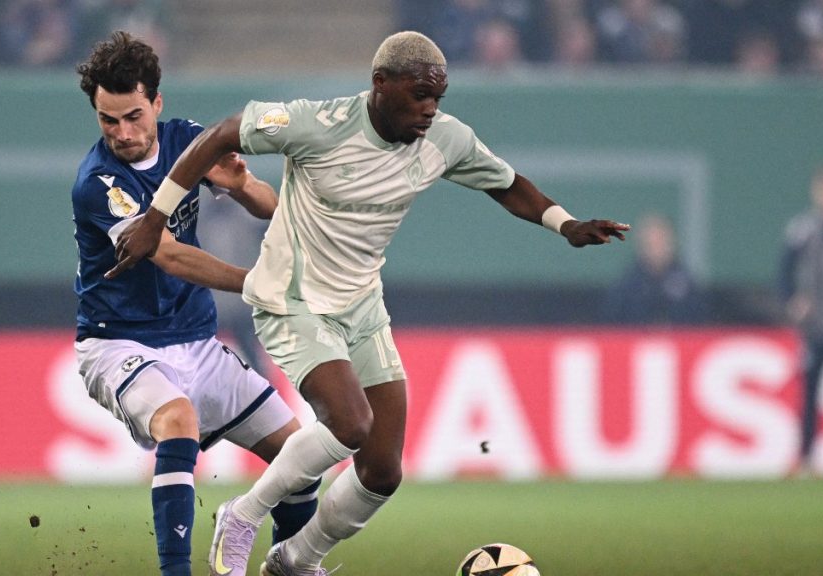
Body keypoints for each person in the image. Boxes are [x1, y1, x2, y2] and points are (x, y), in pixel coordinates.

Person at [107, 30, 629, 576]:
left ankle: (295, 561)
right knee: (350, 423)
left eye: (437, 97)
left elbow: (506, 183)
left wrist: (565, 223)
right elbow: (220, 135)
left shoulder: (445, 139)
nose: (429, 109)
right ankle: (243, 515)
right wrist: (156, 218)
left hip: (362, 306)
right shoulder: (317, 123)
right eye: (419, 95)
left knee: (382, 470)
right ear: (381, 84)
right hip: (293, 298)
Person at [71, 31, 319, 576]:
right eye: (108, 120)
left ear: (157, 103)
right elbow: (169, 255)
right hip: (120, 342)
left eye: (133, 116)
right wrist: (255, 283)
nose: (123, 133)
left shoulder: (187, 141)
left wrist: (244, 186)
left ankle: (291, 567)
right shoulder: (98, 183)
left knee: (300, 458)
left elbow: (265, 204)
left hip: (195, 339)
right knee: (177, 419)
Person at [779, 163, 823, 476]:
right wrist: (792, 301)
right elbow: (783, 272)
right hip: (817, 326)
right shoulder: (804, 229)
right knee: (809, 392)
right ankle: (807, 458)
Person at [601, 212, 709, 325]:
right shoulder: (626, 286)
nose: (657, 248)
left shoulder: (687, 284)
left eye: (661, 241)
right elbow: (612, 323)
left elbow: (701, 320)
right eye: (651, 243)